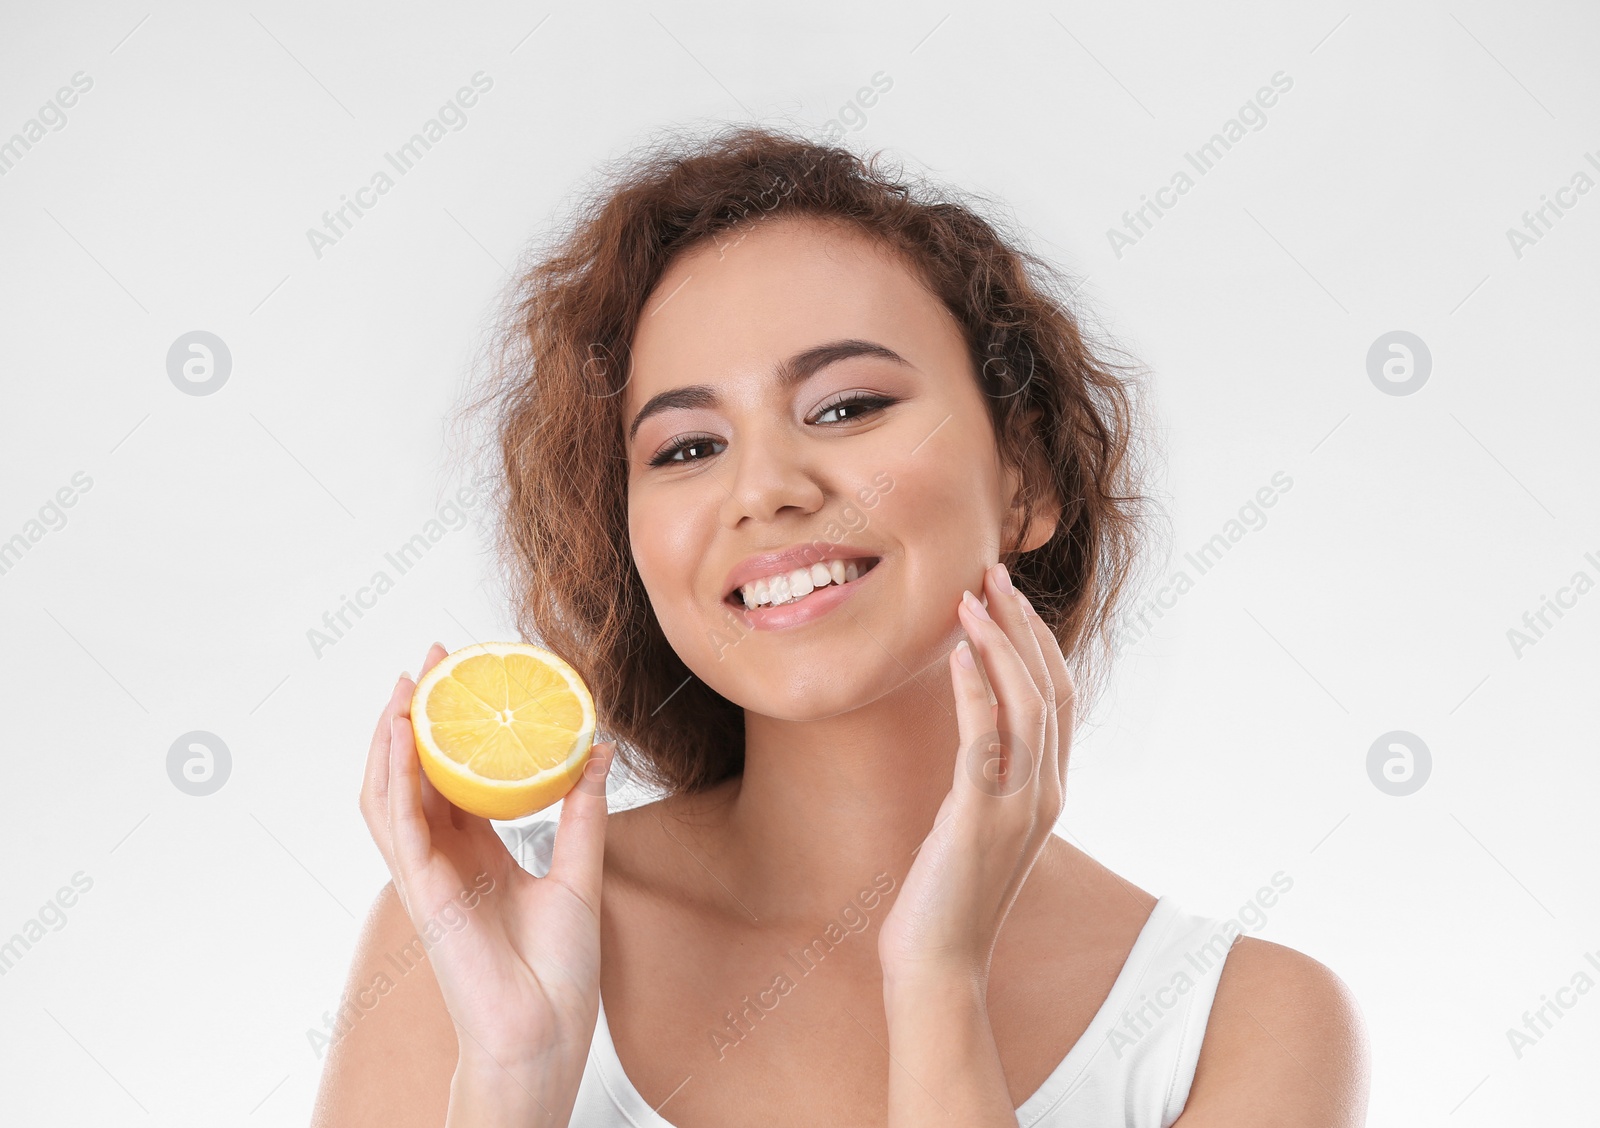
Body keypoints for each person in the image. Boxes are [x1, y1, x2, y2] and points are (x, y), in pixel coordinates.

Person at [313, 125, 1369, 1127]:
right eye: (684, 449)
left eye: (845, 407)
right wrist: (511, 1083)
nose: (763, 488)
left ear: (1026, 475)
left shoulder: (1237, 1023)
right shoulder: (471, 931)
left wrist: (937, 982)